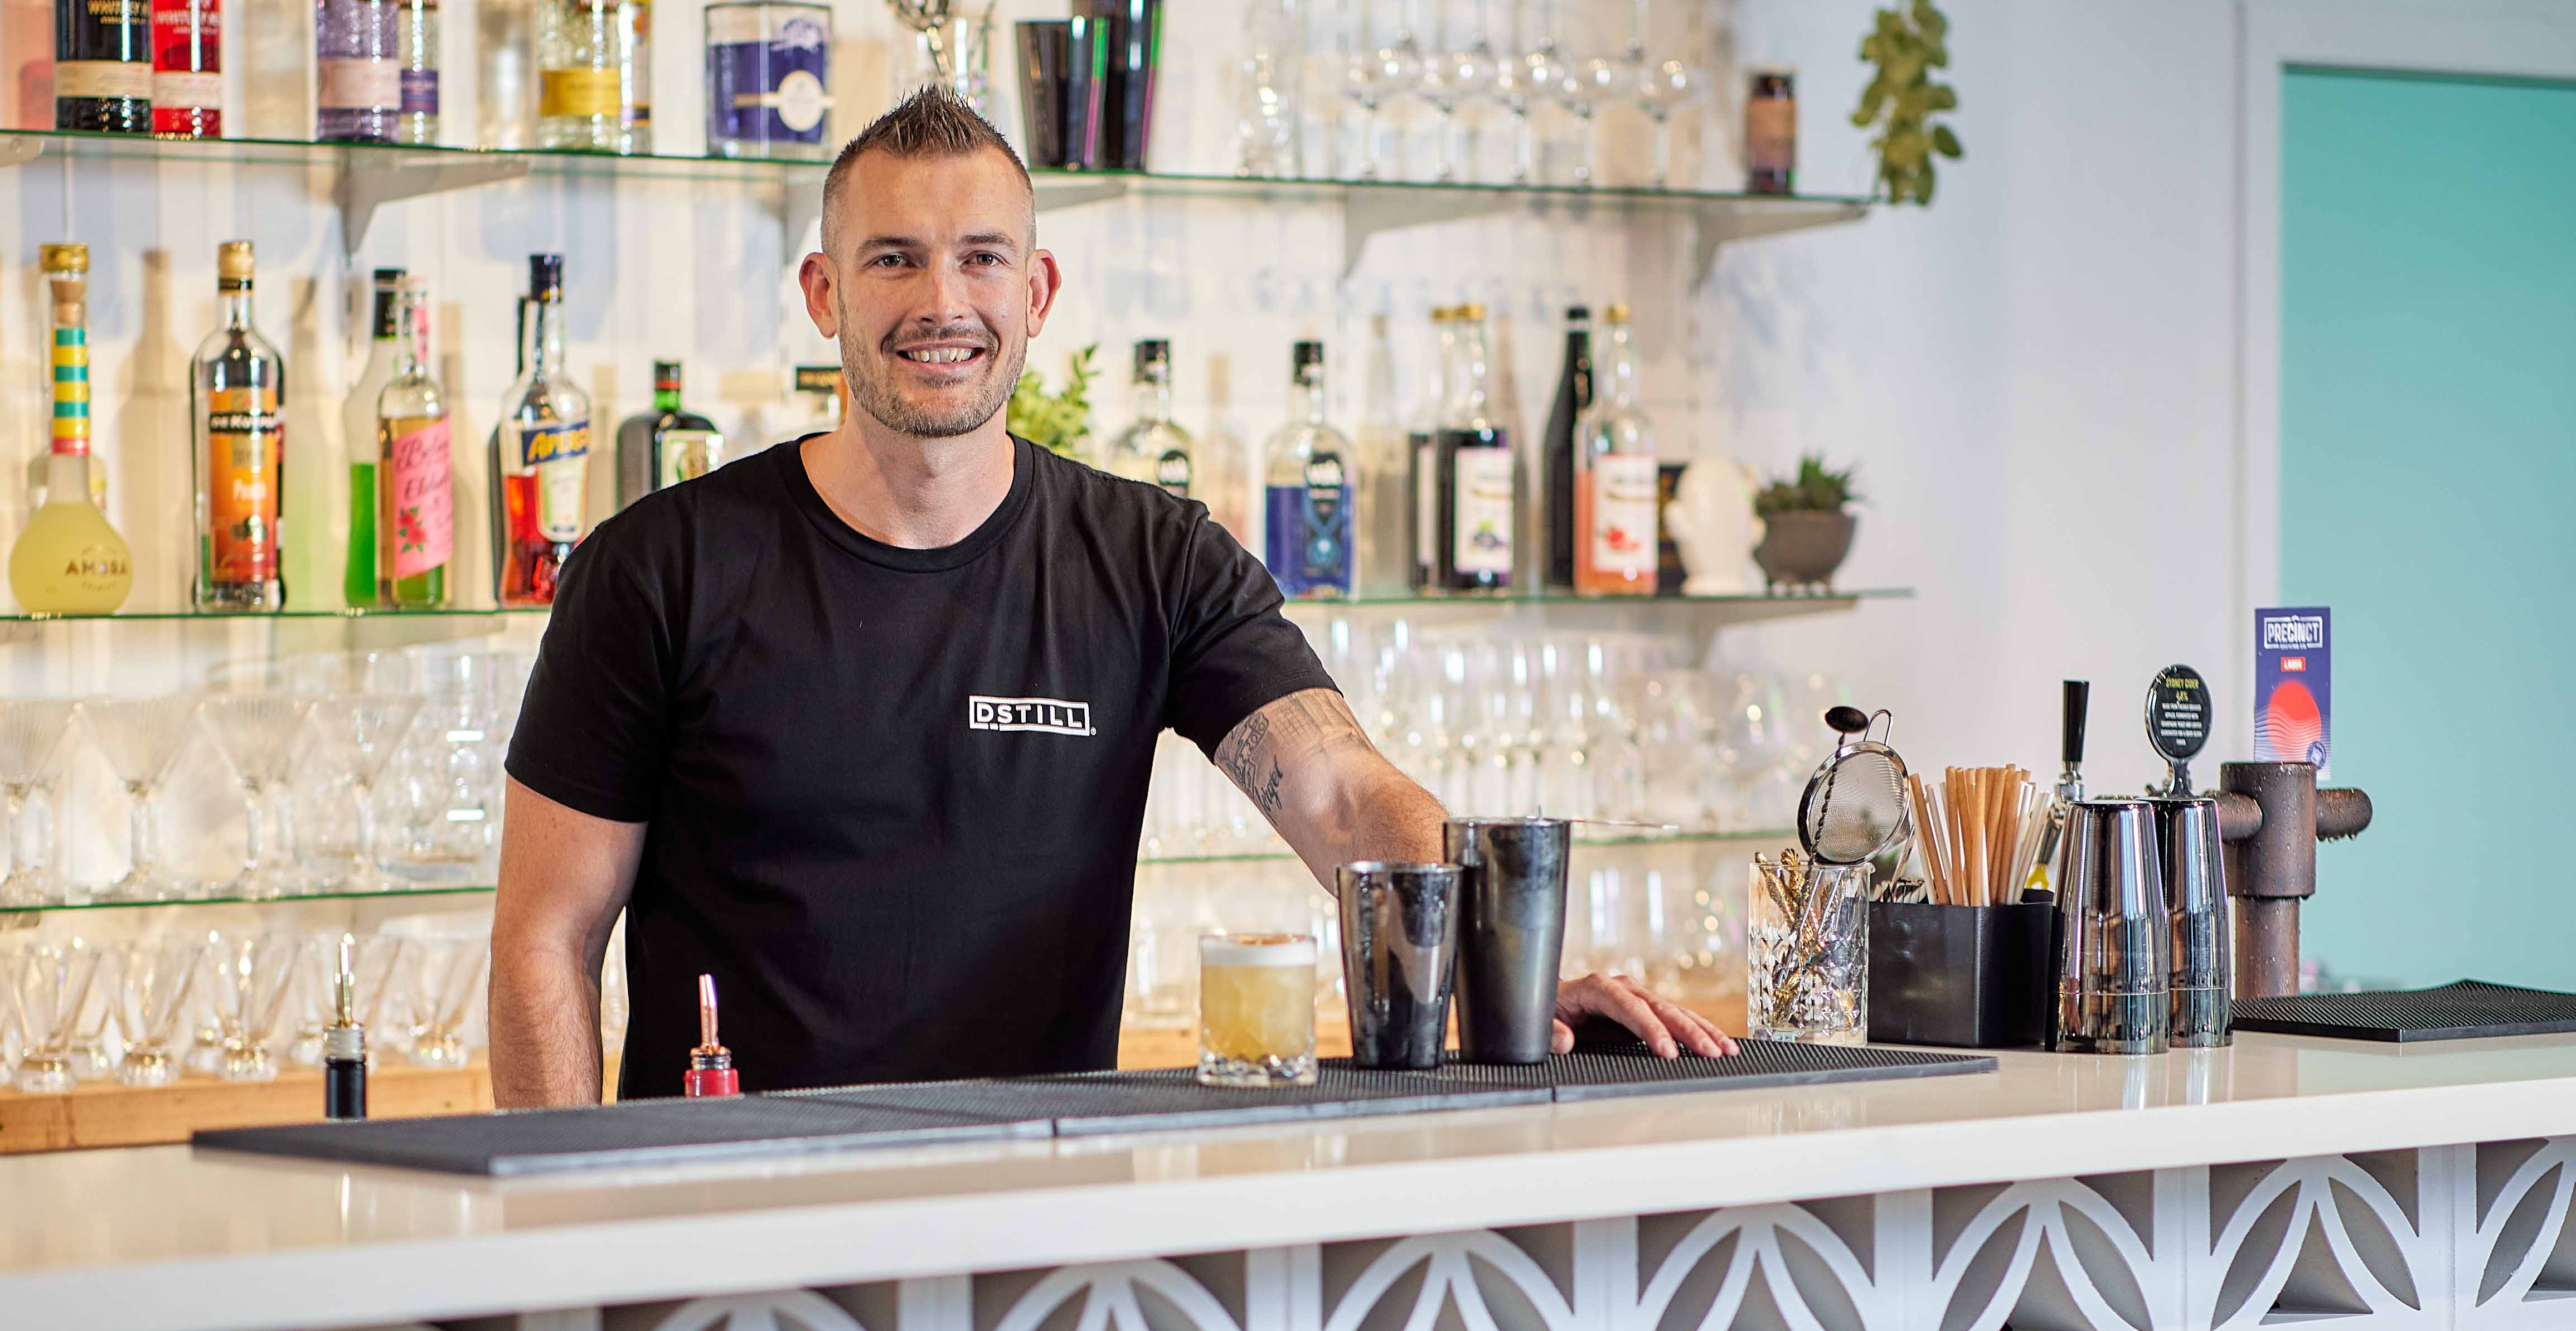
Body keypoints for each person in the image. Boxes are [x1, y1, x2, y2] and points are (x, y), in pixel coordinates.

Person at [489, 88, 1731, 1102]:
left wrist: (1502, 967)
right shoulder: (658, 568)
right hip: (732, 1210)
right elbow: (546, 939)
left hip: (1045, 1203)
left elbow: (1343, 793)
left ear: (1035, 294)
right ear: (824, 294)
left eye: (981, 259)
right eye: (894, 260)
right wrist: (563, 1225)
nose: (942, 304)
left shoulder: (1152, 559)